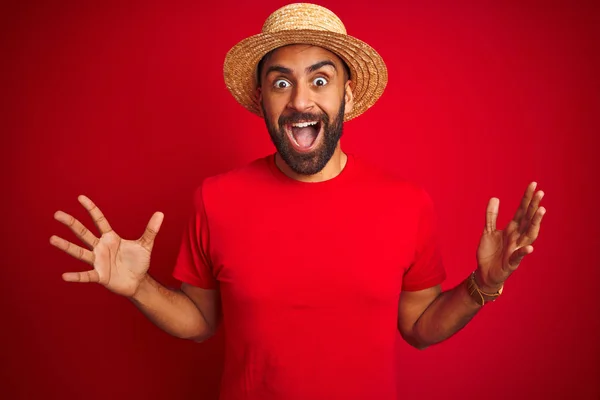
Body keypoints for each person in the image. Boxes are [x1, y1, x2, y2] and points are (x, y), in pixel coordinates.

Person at [50, 3, 546, 400]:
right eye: (281, 82)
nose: (301, 101)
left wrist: (484, 283)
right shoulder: (215, 198)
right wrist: (138, 288)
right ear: (262, 99)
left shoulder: (406, 203)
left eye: (321, 80)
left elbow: (418, 328)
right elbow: (200, 323)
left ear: (347, 97)